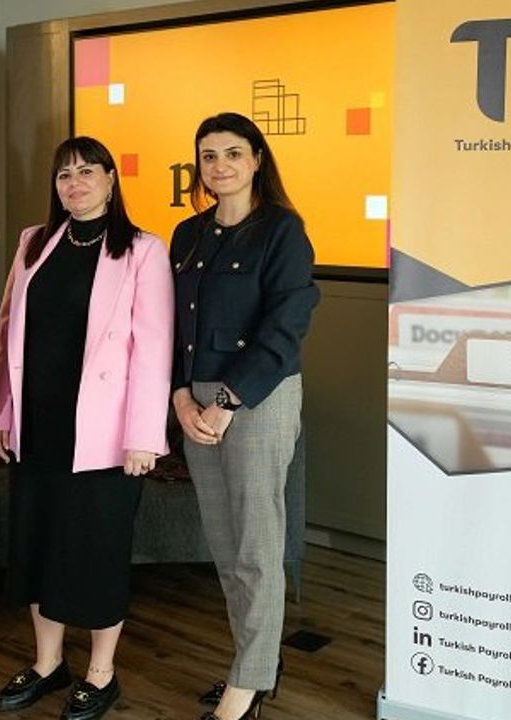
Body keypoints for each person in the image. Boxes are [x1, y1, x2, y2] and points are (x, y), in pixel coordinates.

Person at [0, 136, 174, 720]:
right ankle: (48, 663)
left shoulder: (142, 250)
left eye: (88, 171)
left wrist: (145, 435)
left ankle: (100, 672)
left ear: (112, 180)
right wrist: (1, 412)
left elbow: (155, 349)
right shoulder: (33, 242)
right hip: (37, 426)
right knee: (38, 547)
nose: (75, 183)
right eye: (65, 174)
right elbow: (7, 334)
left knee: (96, 553)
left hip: (106, 437)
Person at [169, 112, 319, 720]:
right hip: (197, 402)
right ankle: (254, 663)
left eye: (233, 153)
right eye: (209, 155)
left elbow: (285, 327)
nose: (220, 165)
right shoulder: (188, 234)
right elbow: (171, 326)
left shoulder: (283, 230)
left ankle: (250, 681)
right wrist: (180, 396)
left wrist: (227, 402)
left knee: (257, 544)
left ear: (257, 159)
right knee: (226, 545)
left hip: (257, 396)